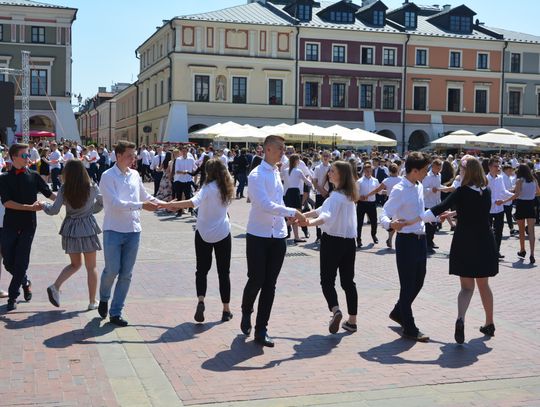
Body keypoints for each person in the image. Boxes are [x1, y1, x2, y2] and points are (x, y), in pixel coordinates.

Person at [425, 156, 501, 343]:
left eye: (462, 168)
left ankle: (460, 318)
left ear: (468, 171)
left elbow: (440, 206)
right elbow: (475, 209)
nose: (459, 171)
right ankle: (489, 322)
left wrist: (419, 217)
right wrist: (453, 213)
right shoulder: (487, 190)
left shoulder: (461, 191)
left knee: (466, 287)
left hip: (465, 241)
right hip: (484, 240)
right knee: (484, 284)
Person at [240, 135, 306, 347]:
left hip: (278, 235)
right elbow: (263, 203)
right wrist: (291, 211)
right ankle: (246, 310)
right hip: (258, 234)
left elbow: (277, 200)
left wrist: (288, 216)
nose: (283, 152)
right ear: (268, 149)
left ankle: (262, 329)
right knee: (256, 279)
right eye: (280, 148)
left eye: (283, 148)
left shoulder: (277, 171)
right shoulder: (256, 174)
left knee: (270, 284)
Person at [97, 141, 163, 326]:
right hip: (113, 229)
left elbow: (145, 196)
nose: (133, 159)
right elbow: (115, 204)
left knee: (126, 274)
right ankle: (104, 298)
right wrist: (143, 206)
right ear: (118, 156)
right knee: (112, 270)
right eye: (129, 155)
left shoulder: (135, 174)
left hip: (133, 230)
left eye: (134, 156)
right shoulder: (107, 176)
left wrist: (164, 204)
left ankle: (116, 312)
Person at [161, 158, 235, 322]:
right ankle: (226, 309)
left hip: (203, 233)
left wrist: (173, 205)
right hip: (223, 233)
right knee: (224, 272)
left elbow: (193, 203)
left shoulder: (207, 188)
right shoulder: (227, 188)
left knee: (201, 270)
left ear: (208, 172)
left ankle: (201, 300)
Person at [301, 161, 359, 334]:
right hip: (349, 243)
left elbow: (325, 215)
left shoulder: (336, 196)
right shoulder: (348, 195)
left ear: (341, 174)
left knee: (327, 280)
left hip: (332, 242)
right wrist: (302, 215)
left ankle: (336, 310)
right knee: (348, 282)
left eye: (332, 171)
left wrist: (309, 222)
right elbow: (322, 209)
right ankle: (353, 320)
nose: (329, 173)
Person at [380, 152, 431, 342]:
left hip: (421, 239)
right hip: (406, 241)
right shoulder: (400, 189)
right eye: (425, 170)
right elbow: (384, 212)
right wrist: (391, 224)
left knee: (419, 282)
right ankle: (409, 327)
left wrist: (434, 216)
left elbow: (419, 212)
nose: (427, 173)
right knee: (408, 284)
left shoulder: (419, 185)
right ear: (415, 170)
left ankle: (398, 311)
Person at [0, 143, 55, 311]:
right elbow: (7, 203)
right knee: (9, 261)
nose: (28, 159)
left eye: (28, 155)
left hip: (28, 225)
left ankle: (12, 296)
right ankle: (25, 281)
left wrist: (71, 201)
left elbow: (50, 194)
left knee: (22, 261)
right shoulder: (3, 178)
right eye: (24, 155)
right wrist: (30, 207)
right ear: (14, 157)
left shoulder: (34, 176)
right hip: (9, 224)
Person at [42, 159, 103, 310]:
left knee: (75, 264)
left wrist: (44, 205)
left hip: (70, 228)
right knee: (91, 267)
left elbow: (54, 210)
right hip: (88, 227)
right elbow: (101, 203)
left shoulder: (64, 189)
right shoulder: (92, 186)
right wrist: (90, 211)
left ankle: (55, 286)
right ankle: (92, 301)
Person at [364, 163, 402, 249]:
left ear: (389, 171)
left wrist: (367, 195)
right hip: (401, 201)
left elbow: (377, 190)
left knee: (391, 221)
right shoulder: (402, 180)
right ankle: (391, 239)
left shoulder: (387, 180)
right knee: (399, 220)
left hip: (390, 201)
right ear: (398, 171)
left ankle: (390, 239)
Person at [486, 158, 515, 260]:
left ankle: (496, 251)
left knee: (499, 231)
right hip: (488, 210)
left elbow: (503, 191)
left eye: (498, 166)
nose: (498, 168)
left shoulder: (500, 178)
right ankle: (487, 251)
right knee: (487, 232)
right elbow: (484, 195)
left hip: (499, 209)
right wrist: (494, 201)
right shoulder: (485, 179)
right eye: (495, 166)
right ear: (489, 167)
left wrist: (514, 195)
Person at [282, 154, 312, 243]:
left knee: (291, 215)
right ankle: (280, 228)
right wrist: (310, 179)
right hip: (295, 193)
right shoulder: (298, 171)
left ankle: (296, 236)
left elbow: (279, 178)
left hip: (287, 194)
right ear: (296, 161)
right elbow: (308, 183)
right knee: (296, 215)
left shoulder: (285, 170)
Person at [514, 164, 540, 264]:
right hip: (531, 204)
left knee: (521, 230)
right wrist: (531, 194)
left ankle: (522, 250)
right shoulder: (534, 180)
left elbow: (517, 194)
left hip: (521, 205)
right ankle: (532, 254)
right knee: (531, 231)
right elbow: (538, 192)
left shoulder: (519, 180)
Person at [356, 163, 380, 248]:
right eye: (366, 171)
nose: (368, 172)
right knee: (359, 222)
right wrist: (359, 197)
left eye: (370, 171)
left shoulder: (375, 180)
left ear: (372, 171)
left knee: (374, 221)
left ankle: (373, 235)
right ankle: (358, 239)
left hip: (372, 204)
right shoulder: (359, 181)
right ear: (364, 171)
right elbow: (355, 193)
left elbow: (379, 191)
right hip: (361, 204)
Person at [422, 159, 442, 253]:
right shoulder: (427, 176)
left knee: (434, 225)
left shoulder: (439, 175)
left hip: (436, 202)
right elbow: (423, 188)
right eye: (437, 167)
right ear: (433, 166)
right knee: (428, 225)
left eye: (440, 167)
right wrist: (431, 190)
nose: (439, 169)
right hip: (428, 203)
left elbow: (439, 186)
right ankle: (427, 243)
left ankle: (431, 241)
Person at [312, 151, 332, 242]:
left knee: (329, 215)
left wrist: (327, 192)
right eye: (324, 156)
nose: (325, 157)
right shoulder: (317, 168)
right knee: (318, 214)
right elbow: (314, 182)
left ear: (330, 157)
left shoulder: (332, 167)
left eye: (327, 156)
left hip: (330, 194)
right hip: (320, 194)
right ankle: (318, 236)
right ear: (321, 157)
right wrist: (322, 191)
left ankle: (328, 234)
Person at [173, 146, 196, 217]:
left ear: (187, 151)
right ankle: (179, 211)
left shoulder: (191, 159)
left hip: (188, 180)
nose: (184, 152)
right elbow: (176, 171)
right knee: (179, 196)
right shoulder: (178, 159)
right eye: (182, 151)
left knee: (188, 196)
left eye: (185, 151)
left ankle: (192, 210)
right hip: (179, 180)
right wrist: (183, 172)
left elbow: (195, 168)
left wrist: (194, 173)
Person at [501, 164, 516, 236]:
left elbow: (510, 186)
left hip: (508, 200)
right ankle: (497, 229)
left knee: (509, 215)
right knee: (502, 216)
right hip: (504, 200)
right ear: (505, 170)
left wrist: (514, 188)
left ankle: (511, 229)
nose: (511, 172)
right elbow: (503, 189)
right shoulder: (503, 178)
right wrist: (512, 190)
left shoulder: (508, 177)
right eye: (509, 170)